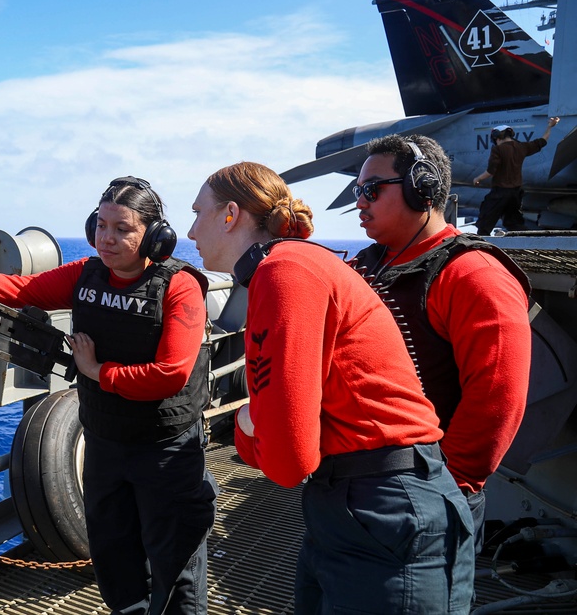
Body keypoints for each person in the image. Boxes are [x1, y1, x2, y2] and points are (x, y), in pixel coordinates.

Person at [0, 177, 218, 615]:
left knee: (175, 564)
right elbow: (21, 290)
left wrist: (96, 371)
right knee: (114, 555)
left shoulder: (178, 286)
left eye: (122, 229)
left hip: (165, 450)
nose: (106, 238)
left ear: (153, 235)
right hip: (105, 441)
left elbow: (170, 374)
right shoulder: (85, 275)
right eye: (101, 225)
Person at [187, 161, 474, 614]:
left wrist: (245, 423)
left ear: (230, 214)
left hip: (384, 506)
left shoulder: (285, 273)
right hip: (356, 500)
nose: (190, 232)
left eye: (197, 212)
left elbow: (287, 462)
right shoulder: (292, 265)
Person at [350, 134, 531, 554]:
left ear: (422, 187)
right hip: (350, 490)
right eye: (358, 191)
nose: (360, 202)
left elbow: (496, 399)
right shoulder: (366, 267)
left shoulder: (473, 275)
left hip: (421, 500)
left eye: (371, 190)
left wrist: (442, 489)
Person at [471, 116, 560, 235]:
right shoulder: (522, 147)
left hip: (500, 193)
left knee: (485, 224)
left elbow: (491, 171)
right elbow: (542, 141)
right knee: (514, 223)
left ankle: (481, 246)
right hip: (516, 193)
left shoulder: (498, 149)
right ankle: (528, 242)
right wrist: (550, 126)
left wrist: (478, 178)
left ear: (497, 137)